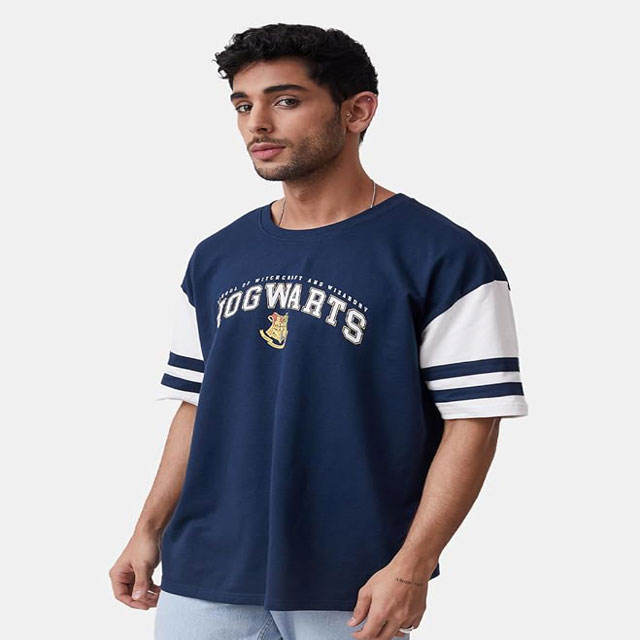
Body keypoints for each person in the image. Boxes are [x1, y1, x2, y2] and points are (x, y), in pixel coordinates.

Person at [109, 23, 529, 640]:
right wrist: (146, 530)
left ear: (357, 111)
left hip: (354, 581)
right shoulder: (216, 256)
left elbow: (473, 422)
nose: (257, 124)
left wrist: (411, 567)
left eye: (285, 100)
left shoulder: (444, 257)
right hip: (205, 571)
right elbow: (196, 405)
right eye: (243, 105)